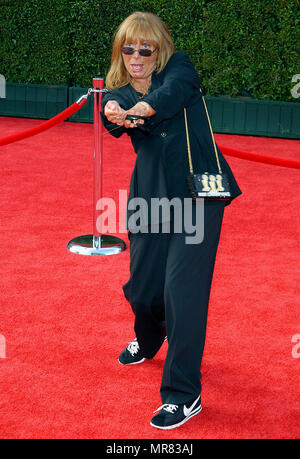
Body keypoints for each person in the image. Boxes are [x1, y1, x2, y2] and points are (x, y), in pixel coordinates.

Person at [100, 11, 242, 430]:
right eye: (129, 48)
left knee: (184, 296)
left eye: (146, 48)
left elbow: (175, 92)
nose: (137, 56)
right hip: (151, 200)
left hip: (200, 195)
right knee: (142, 292)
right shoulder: (121, 92)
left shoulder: (179, 69)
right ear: (120, 51)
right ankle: (149, 337)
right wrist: (113, 110)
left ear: (160, 48)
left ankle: (184, 394)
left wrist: (144, 106)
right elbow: (114, 117)